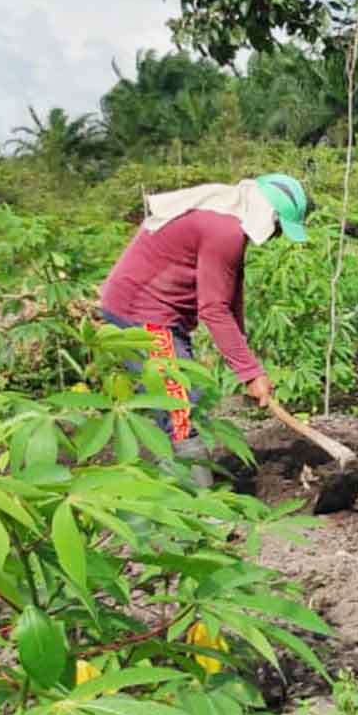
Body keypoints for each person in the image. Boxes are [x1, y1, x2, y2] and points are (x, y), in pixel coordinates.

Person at [99, 175, 309, 484]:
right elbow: (213, 309)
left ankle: (176, 492)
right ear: (269, 215)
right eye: (279, 227)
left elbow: (230, 295)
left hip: (160, 314)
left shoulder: (228, 216)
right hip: (143, 314)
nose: (276, 236)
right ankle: (201, 514)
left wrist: (246, 366)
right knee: (180, 410)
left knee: (178, 406)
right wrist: (250, 373)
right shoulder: (224, 230)